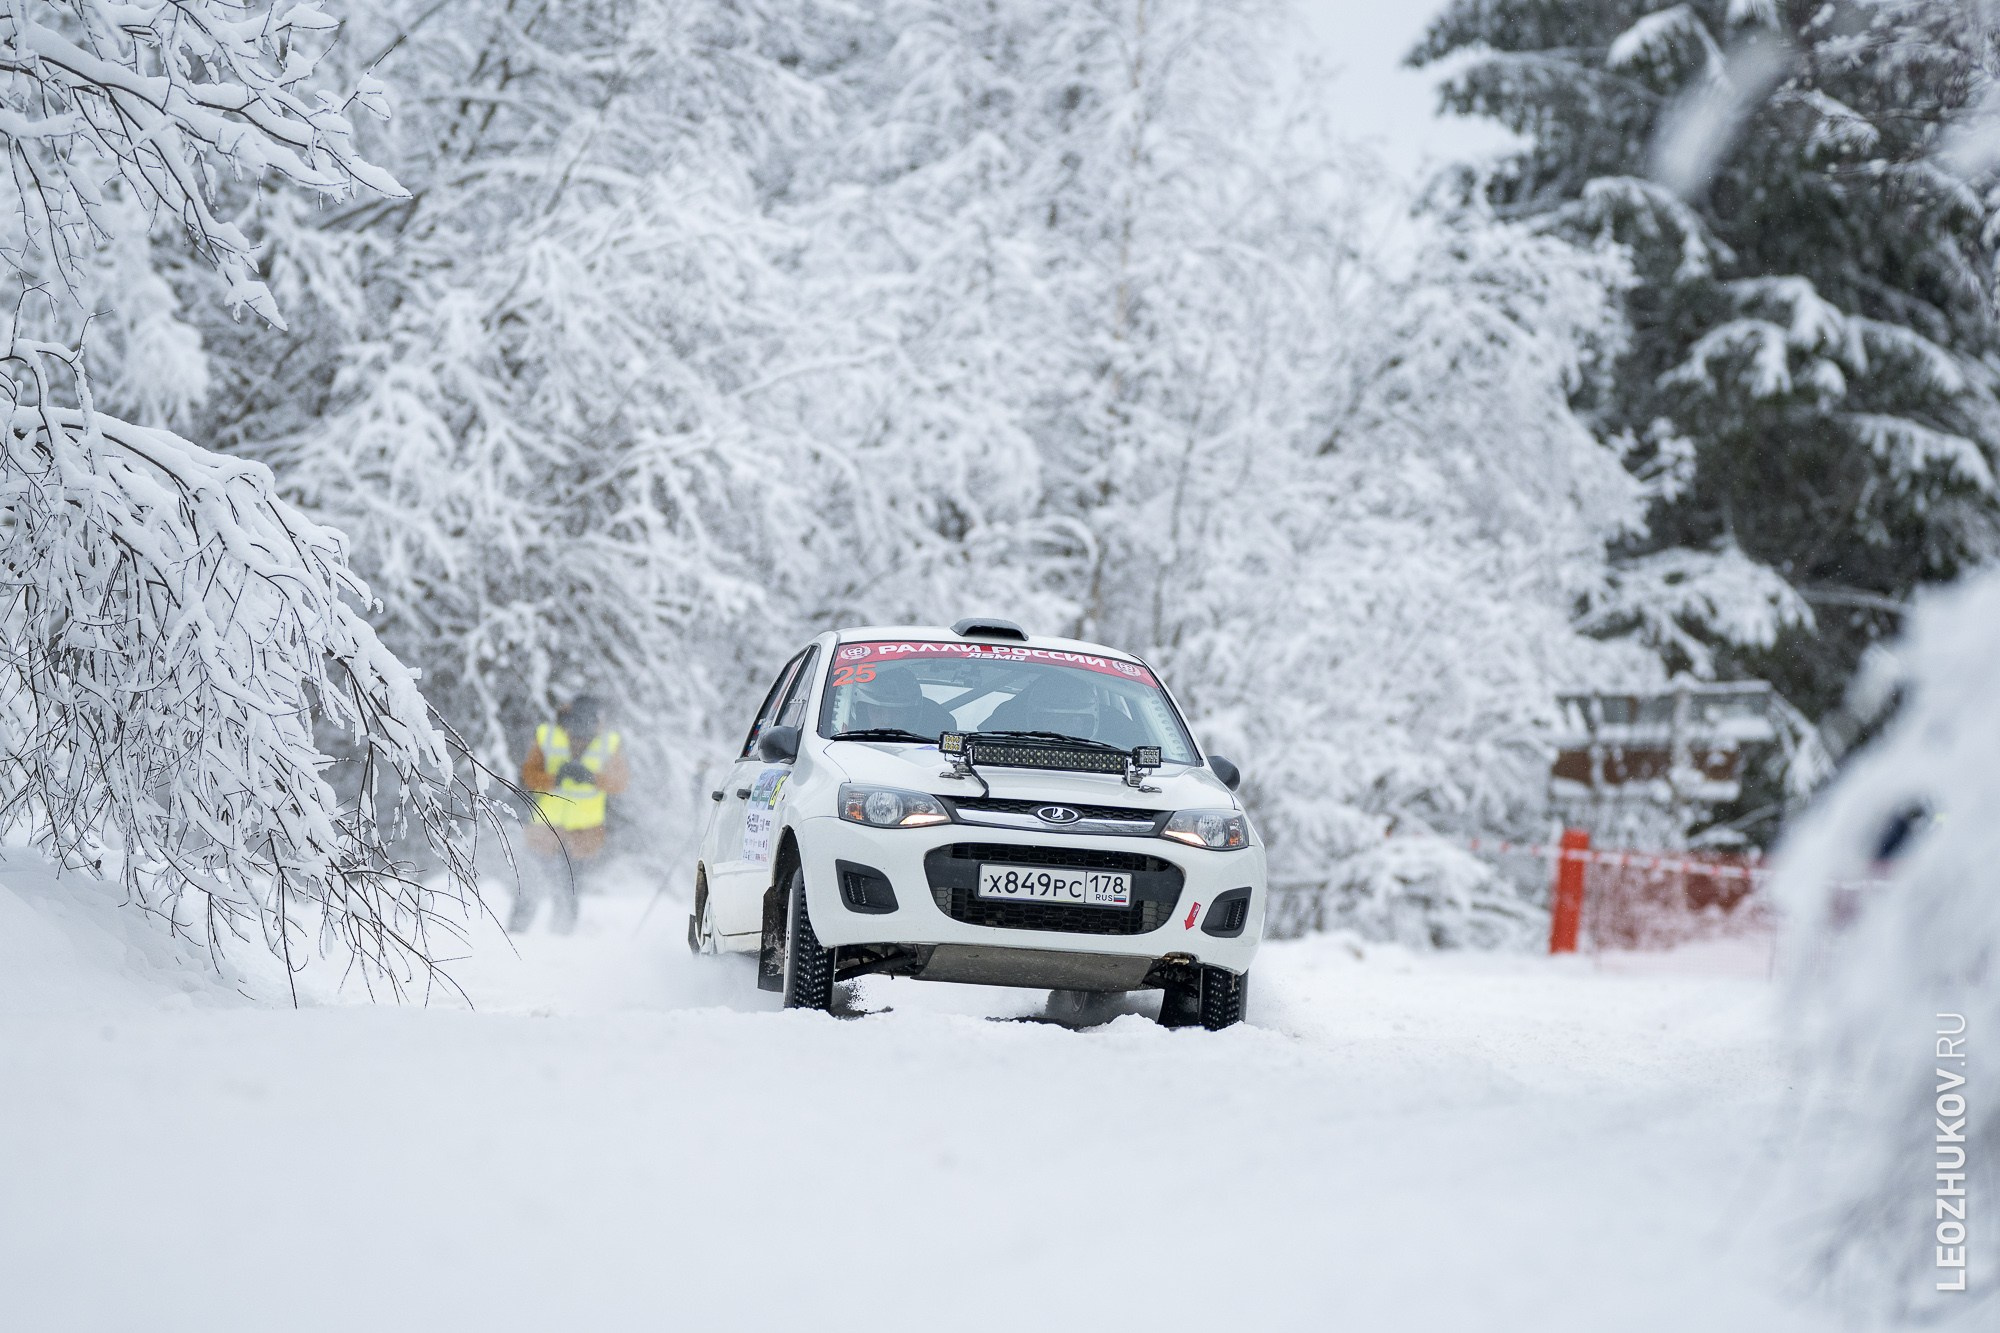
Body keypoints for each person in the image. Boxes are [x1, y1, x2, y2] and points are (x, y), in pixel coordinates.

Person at [511, 694, 629, 933]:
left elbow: (620, 782)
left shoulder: (609, 743)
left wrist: (591, 778)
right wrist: (556, 777)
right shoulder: (548, 736)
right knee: (531, 879)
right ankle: (515, 932)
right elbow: (528, 776)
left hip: (585, 831)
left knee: (570, 885)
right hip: (545, 827)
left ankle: (563, 934)